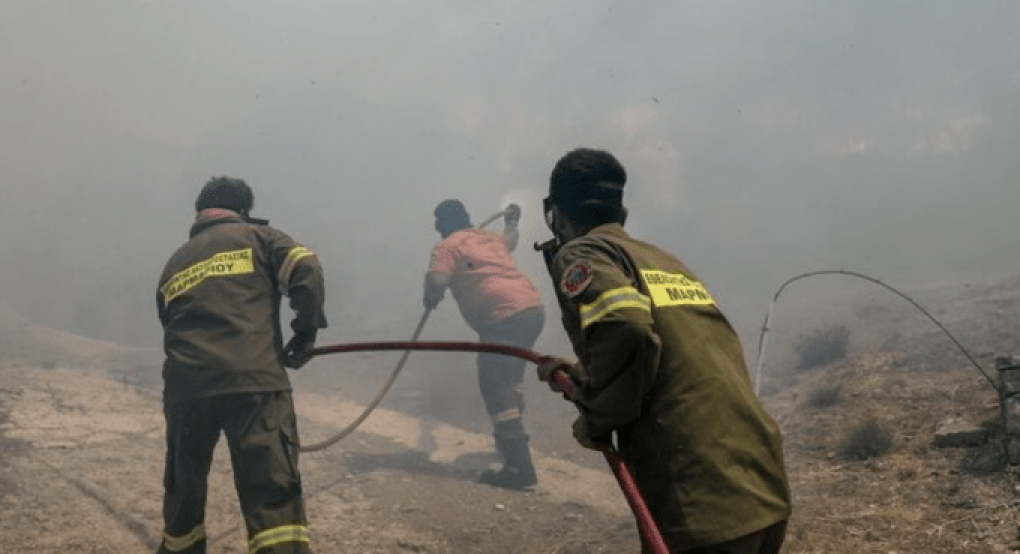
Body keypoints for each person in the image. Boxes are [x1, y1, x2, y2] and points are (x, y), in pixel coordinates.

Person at [535, 148, 791, 554]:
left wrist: (597, 416)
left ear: (555, 213)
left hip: (702, 501)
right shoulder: (661, 261)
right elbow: (672, 352)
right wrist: (582, 376)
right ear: (622, 211)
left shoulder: (582, 253)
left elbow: (628, 330)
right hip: (760, 487)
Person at [156, 177, 328, 554]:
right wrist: (305, 332)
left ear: (200, 212)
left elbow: (169, 323)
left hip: (186, 391)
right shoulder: (261, 239)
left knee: (183, 493)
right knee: (272, 493)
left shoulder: (176, 261)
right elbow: (307, 268)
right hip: (254, 383)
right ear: (244, 210)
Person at [423, 199, 546, 490]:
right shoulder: (487, 238)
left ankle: (518, 468)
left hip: (503, 318)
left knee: (495, 384)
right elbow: (510, 241)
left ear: (441, 225)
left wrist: (430, 295)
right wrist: (512, 222)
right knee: (510, 378)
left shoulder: (448, 246)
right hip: (532, 310)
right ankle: (510, 446)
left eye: (437, 223)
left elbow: (438, 281)